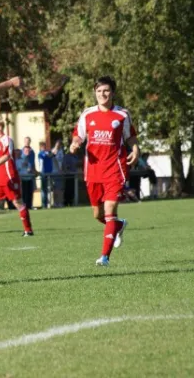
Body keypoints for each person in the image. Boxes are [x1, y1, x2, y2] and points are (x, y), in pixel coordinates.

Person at [69, 76, 139, 266]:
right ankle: (118, 226)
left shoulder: (122, 115)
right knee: (97, 215)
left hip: (115, 169)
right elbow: (78, 136)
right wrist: (75, 144)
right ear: (95, 93)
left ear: (113, 93)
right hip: (93, 171)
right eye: (99, 91)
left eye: (106, 91)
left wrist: (135, 149)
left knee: (109, 211)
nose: (102, 94)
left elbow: (130, 137)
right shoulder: (87, 114)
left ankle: (105, 257)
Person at [38, 142, 53, 209]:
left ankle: (49, 204)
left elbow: (51, 155)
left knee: (49, 188)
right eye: (42, 147)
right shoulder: (40, 154)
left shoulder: (47, 152)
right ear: (40, 147)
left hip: (49, 172)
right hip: (43, 173)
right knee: (44, 189)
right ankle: (44, 204)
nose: (44, 148)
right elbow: (43, 158)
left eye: (44, 146)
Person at [51, 139, 65, 207]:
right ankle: (55, 203)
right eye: (57, 144)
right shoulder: (54, 151)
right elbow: (54, 160)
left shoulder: (61, 151)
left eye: (60, 144)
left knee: (60, 188)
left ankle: (59, 202)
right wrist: (59, 169)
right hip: (55, 172)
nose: (58, 145)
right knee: (56, 188)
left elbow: (62, 161)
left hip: (60, 172)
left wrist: (62, 169)